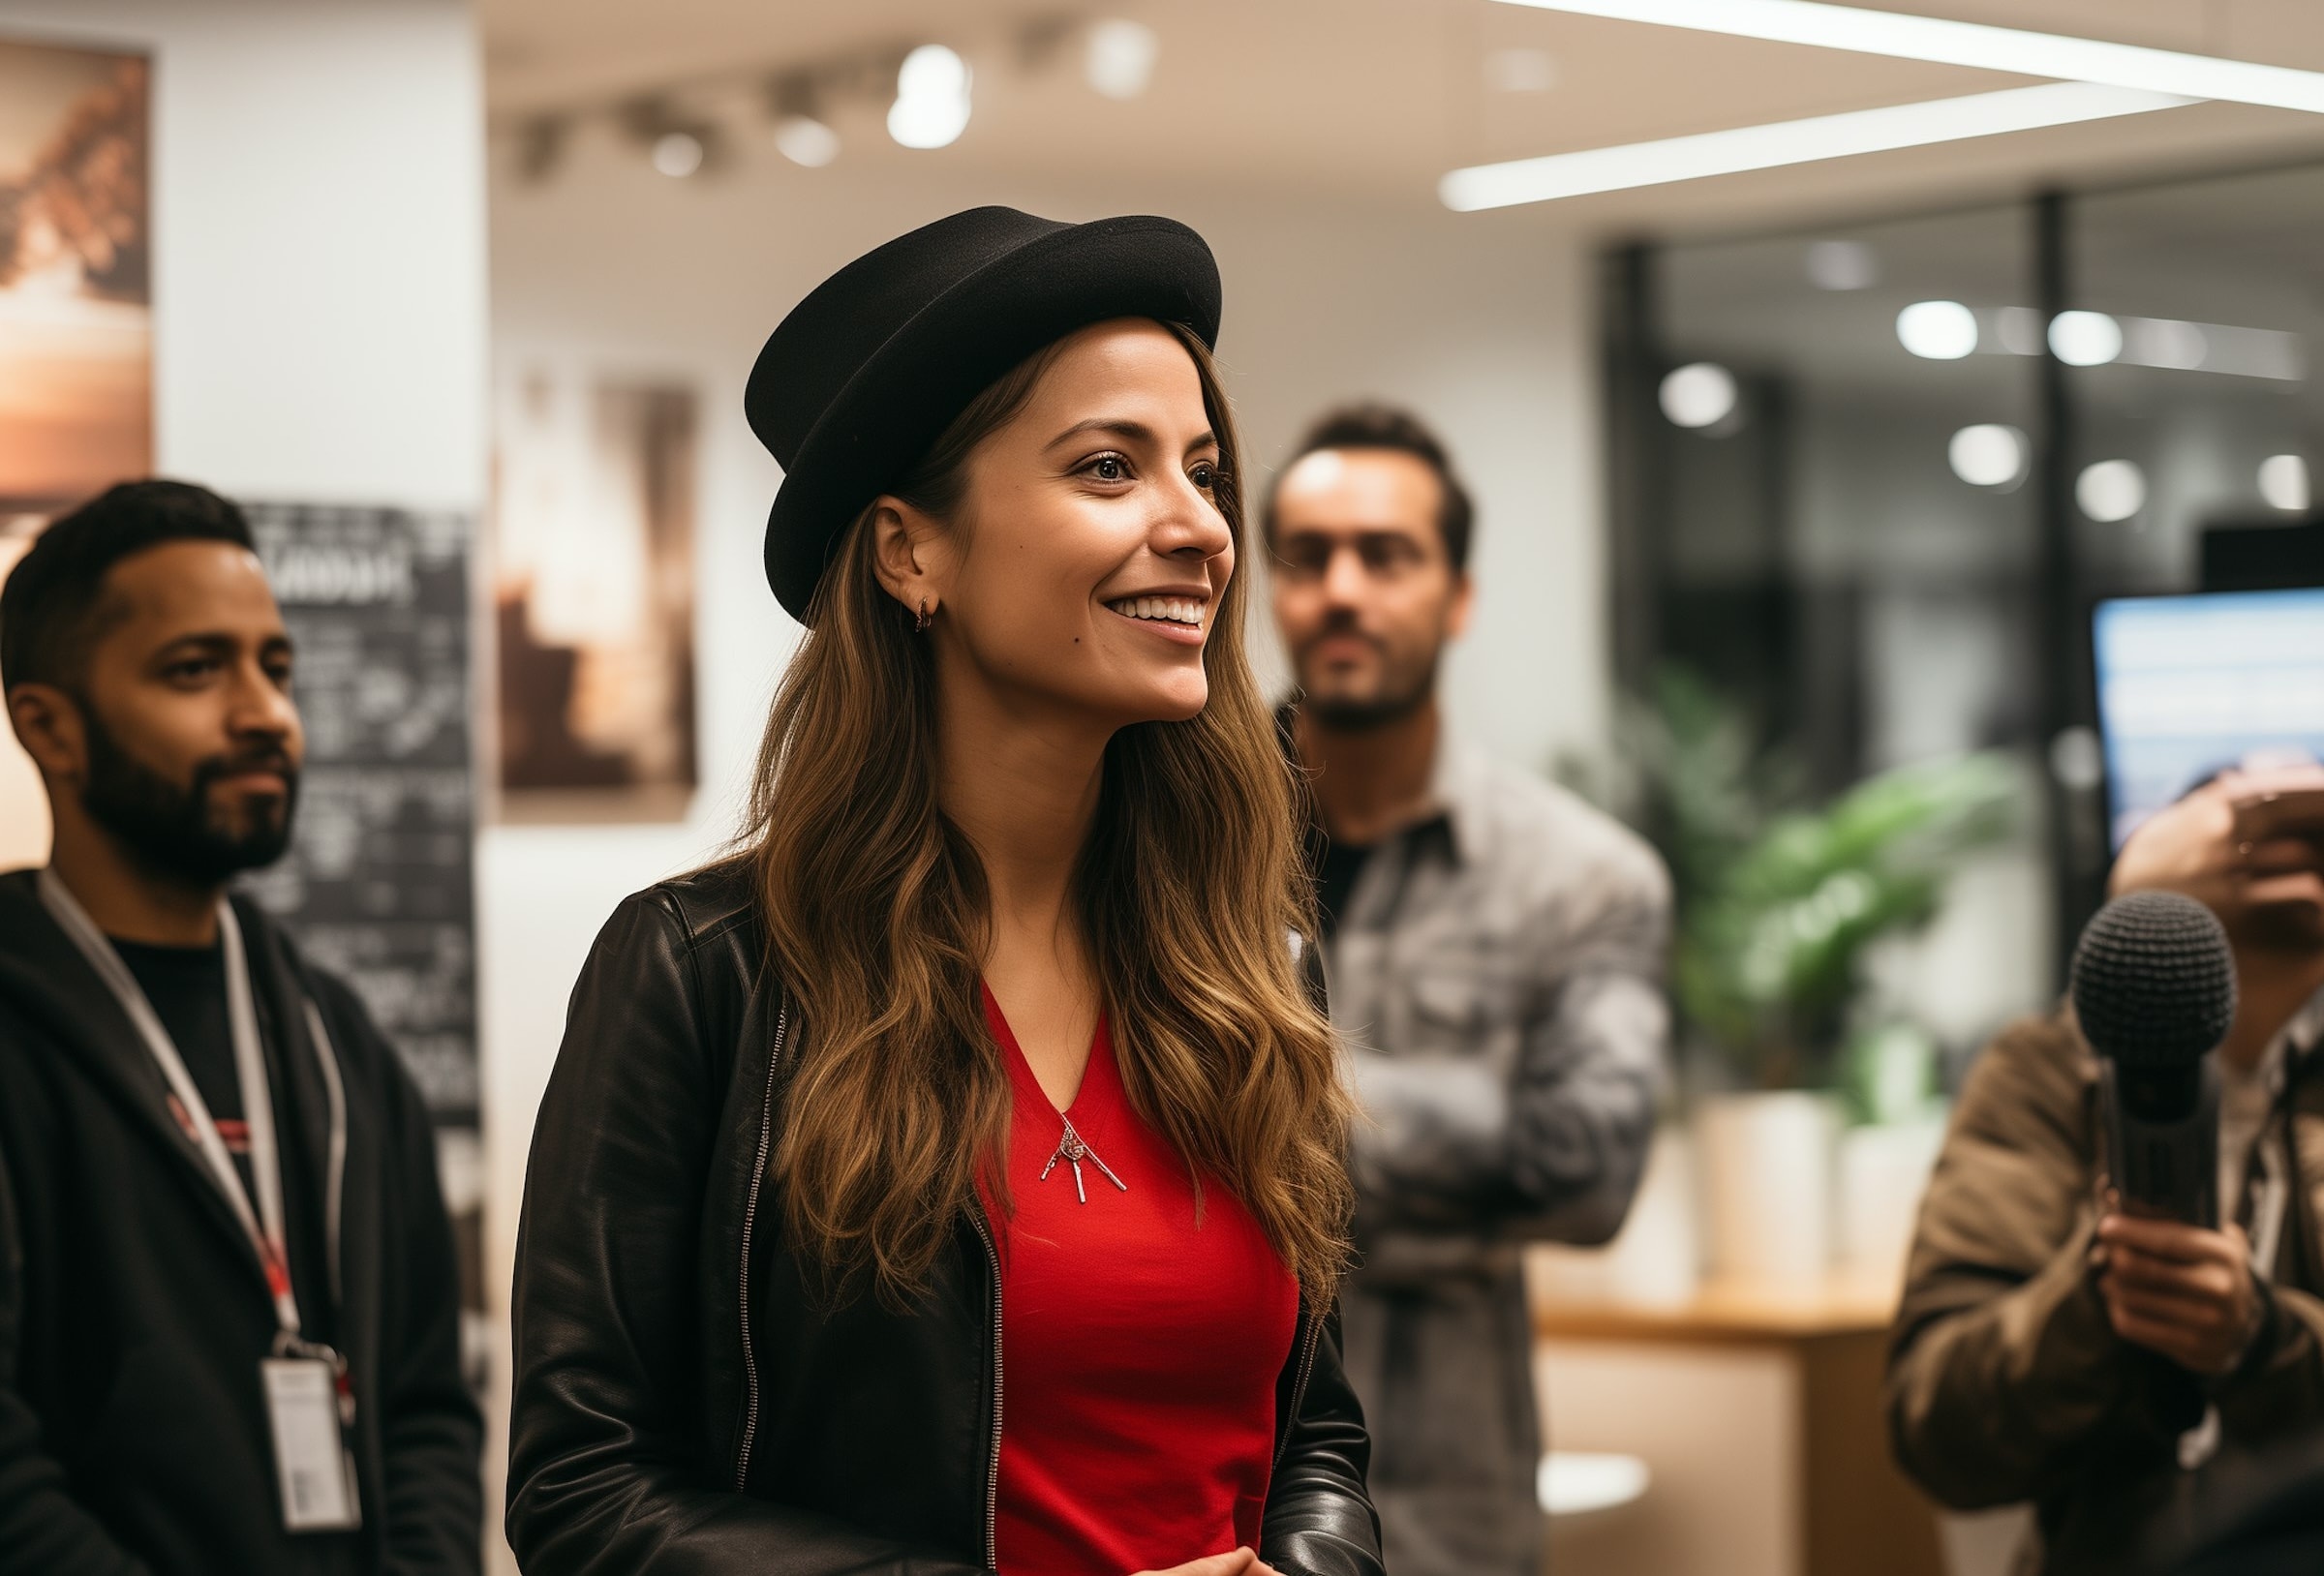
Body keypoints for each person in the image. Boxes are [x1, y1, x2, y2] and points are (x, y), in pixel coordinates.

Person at [505, 207, 1381, 1576]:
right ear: (912, 552)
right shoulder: (704, 976)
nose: (1200, 527)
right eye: (1109, 468)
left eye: (1204, 472)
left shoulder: (1247, 966)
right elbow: (584, 1495)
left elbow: (1316, 1436)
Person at [0, 481, 481, 1573]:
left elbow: (424, 1406)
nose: (264, 710)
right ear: (50, 726)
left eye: (275, 665)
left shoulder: (333, 1036)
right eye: (194, 669)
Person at [1266, 404, 1672, 1576]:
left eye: (1386, 554)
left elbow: (1585, 1165)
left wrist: (1239, 1091)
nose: (1343, 588)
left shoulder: (1583, 877)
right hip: (1190, 1491)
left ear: (1457, 596)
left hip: (1444, 1502)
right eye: (1309, 555)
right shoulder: (1160, 849)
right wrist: (1459, 1149)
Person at [1888, 765, 2324, 1576]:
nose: (2292, 846)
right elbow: (1938, 1425)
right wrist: (2100, 1299)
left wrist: (2264, 1341)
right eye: (2244, 805)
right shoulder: (2042, 1072)